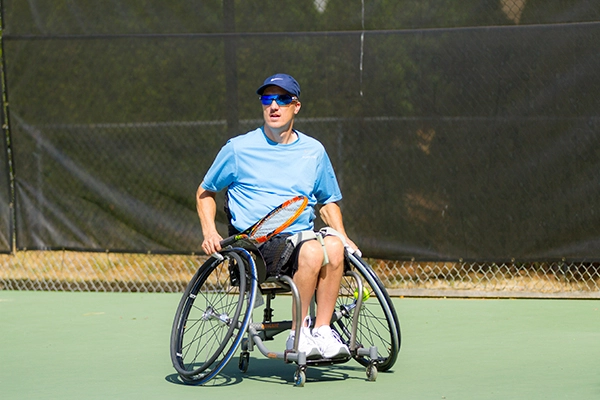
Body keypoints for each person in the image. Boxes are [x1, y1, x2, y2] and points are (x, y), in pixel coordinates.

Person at [196, 73, 358, 360]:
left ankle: (321, 330)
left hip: (300, 238)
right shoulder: (238, 149)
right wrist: (210, 232)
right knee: (311, 249)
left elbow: (327, 202)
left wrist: (343, 236)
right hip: (256, 245)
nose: (273, 106)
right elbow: (205, 192)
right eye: (267, 99)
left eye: (282, 99)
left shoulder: (314, 152)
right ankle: (299, 334)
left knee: (333, 246)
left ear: (296, 106)